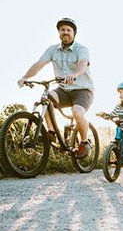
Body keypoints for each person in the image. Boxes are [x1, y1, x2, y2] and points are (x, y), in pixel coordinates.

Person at [17, 18, 94, 158]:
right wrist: (25, 77)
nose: (65, 32)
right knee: (46, 98)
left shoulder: (81, 49)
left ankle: (84, 143)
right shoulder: (52, 50)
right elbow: (39, 64)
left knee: (77, 112)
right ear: (59, 32)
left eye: (68, 30)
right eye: (62, 30)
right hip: (63, 90)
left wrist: (75, 74)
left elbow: (83, 63)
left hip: (83, 90)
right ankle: (51, 134)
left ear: (74, 33)